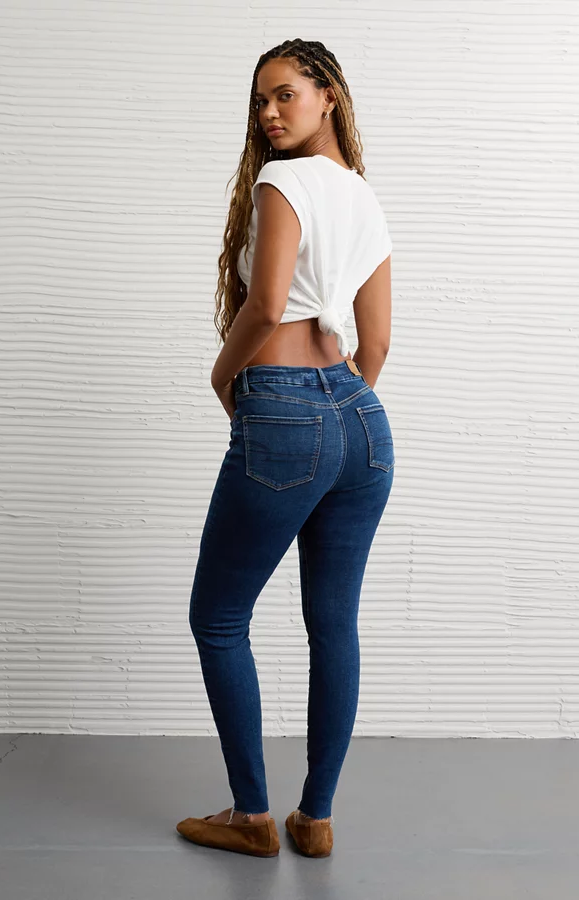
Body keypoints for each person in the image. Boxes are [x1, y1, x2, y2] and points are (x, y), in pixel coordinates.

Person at [176, 38, 394, 859]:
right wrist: (338, 405)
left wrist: (224, 374)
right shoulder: (362, 197)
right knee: (333, 626)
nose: (269, 113)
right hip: (362, 423)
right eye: (259, 100)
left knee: (218, 617)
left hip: (283, 411)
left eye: (285, 94)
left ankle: (252, 817)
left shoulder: (281, 182)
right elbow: (376, 343)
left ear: (328, 95)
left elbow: (266, 306)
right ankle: (317, 818)